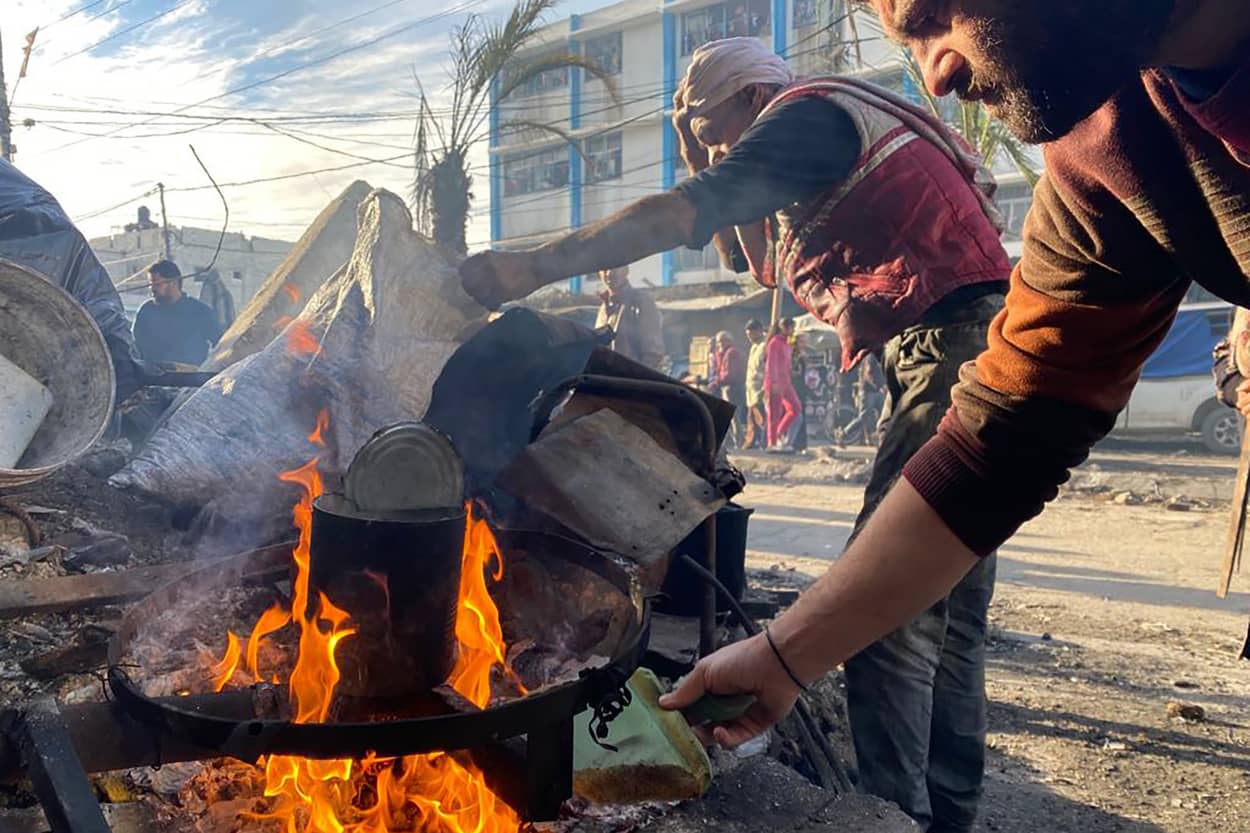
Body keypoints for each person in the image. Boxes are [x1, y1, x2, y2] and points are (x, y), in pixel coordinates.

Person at [652, 2, 1250, 831]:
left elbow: (700, 210)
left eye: (933, 17)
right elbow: (1001, 438)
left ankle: (904, 807)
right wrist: (787, 654)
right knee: (954, 620)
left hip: (938, 337)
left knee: (919, 634)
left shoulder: (811, 119)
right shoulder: (1108, 152)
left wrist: (529, 266)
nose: (936, 73)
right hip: (951, 350)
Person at [459, 35, 1012, 831]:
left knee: (885, 601)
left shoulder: (803, 117)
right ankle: (948, 815)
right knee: (946, 603)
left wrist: (532, 267)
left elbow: (684, 211)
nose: (716, 151)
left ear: (755, 99)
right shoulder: (816, 134)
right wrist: (696, 134)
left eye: (716, 132)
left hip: (952, 347)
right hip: (977, 346)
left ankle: (890, 818)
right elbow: (742, 248)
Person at [133, 260, 223, 367]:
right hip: (152, 379)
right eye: (150, 284)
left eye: (157, 284)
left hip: (190, 379)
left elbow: (221, 345)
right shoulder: (146, 311)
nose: (152, 289)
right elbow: (135, 347)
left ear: (174, 283)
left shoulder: (199, 311)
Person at [593, 265, 665, 370]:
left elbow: (653, 353)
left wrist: (635, 380)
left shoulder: (640, 301)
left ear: (626, 270)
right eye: (604, 269)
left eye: (615, 267)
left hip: (631, 382)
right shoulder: (603, 308)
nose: (609, 273)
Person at [765, 319, 801, 451]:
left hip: (786, 381)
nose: (793, 330)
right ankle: (772, 443)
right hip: (775, 382)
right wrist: (773, 381)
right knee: (774, 413)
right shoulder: (774, 343)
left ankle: (778, 434)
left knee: (795, 408)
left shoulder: (787, 343)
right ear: (784, 328)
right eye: (792, 327)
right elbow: (771, 363)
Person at [713, 331, 748, 445]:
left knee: (733, 416)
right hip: (728, 386)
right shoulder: (723, 352)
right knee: (732, 416)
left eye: (722, 341)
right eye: (718, 342)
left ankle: (739, 440)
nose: (720, 344)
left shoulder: (732, 353)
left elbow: (729, 374)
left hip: (732, 387)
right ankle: (734, 440)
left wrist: (716, 382)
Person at [743, 318, 769, 449]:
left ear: (759, 331)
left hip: (761, 390)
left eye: (751, 334)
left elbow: (767, 368)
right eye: (748, 335)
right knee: (752, 420)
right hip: (751, 390)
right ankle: (752, 444)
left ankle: (765, 443)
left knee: (761, 419)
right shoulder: (754, 346)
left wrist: (764, 388)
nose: (749, 337)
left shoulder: (765, 345)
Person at [790, 331, 810, 453]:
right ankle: (794, 442)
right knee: (795, 415)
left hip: (801, 388)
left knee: (801, 416)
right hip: (794, 387)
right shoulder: (792, 355)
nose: (803, 344)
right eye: (801, 341)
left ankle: (801, 444)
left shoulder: (803, 355)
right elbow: (794, 372)